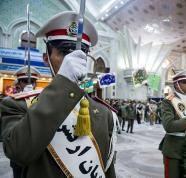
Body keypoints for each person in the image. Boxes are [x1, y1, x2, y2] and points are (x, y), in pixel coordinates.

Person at [0, 11, 116, 178]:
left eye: (81, 52)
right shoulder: (17, 105)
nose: (73, 59)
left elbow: (107, 170)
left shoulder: (104, 113)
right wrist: (64, 82)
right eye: (63, 52)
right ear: (46, 58)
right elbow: (18, 152)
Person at [159, 69, 186, 178]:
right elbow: (169, 126)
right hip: (173, 150)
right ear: (177, 84)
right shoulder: (168, 101)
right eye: (185, 82)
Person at [5, 66, 41, 178]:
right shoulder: (10, 102)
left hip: (38, 153)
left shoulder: (42, 99)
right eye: (24, 81)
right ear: (19, 84)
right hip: (19, 155)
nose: (29, 84)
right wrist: (24, 101)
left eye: (33, 81)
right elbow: (10, 136)